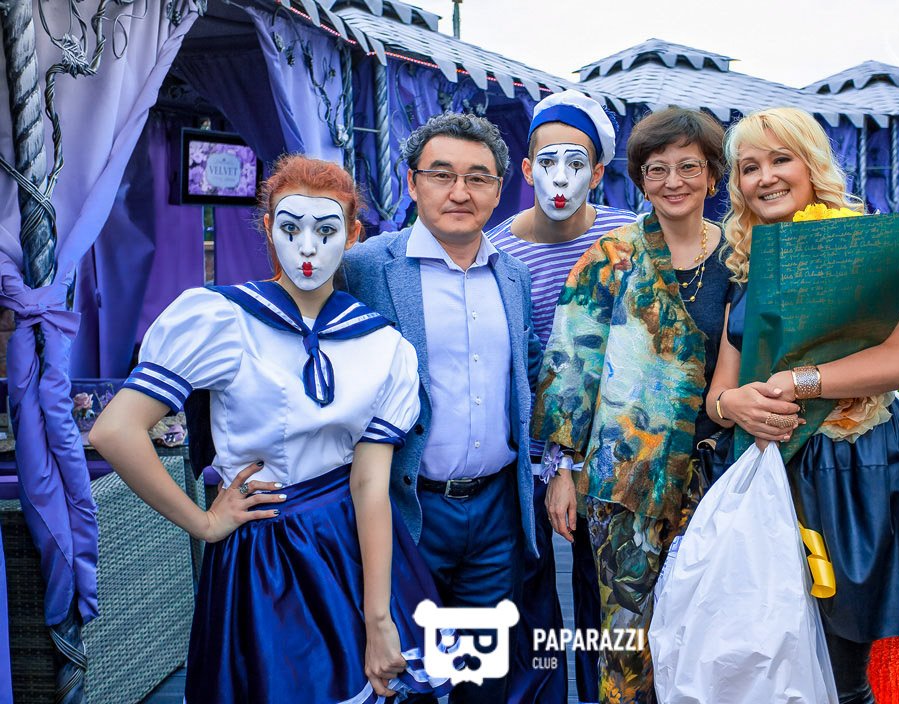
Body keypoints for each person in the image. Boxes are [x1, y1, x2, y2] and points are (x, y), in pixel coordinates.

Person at [89, 156, 450, 703]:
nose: (307, 248)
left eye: (326, 231)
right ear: (267, 228)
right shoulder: (222, 320)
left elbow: (370, 487)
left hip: (354, 547)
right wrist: (203, 523)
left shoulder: (383, 346)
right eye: (291, 227)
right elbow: (115, 431)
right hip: (264, 553)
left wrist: (379, 618)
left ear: (353, 235)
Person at [706, 107, 899, 704]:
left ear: (812, 165)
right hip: (766, 473)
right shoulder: (744, 263)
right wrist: (736, 404)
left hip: (848, 467)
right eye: (750, 167)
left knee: (841, 661)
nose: (766, 177)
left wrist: (801, 381)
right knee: (768, 653)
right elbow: (719, 392)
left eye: (781, 159)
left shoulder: (864, 245)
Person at [533, 107, 730, 704]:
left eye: (688, 166)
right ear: (641, 180)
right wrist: (561, 471)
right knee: (625, 641)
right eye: (656, 169)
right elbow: (570, 365)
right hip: (625, 481)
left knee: (710, 629)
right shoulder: (612, 255)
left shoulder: (741, 256)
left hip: (722, 472)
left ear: (713, 176)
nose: (673, 181)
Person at [341, 111, 539, 704]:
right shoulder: (365, 268)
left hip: (497, 513)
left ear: (498, 191)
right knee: (404, 676)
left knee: (482, 679)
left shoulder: (514, 276)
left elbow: (529, 372)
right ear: (412, 182)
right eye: (441, 174)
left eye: (478, 178)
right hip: (405, 509)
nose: (460, 191)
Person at [486, 89, 637, 704]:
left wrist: (573, 462)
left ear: (598, 174)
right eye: (547, 162)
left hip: (606, 453)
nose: (560, 177)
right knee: (531, 596)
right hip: (522, 455)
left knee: (607, 598)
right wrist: (547, 463)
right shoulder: (497, 251)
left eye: (577, 163)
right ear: (526, 170)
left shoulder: (627, 238)